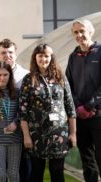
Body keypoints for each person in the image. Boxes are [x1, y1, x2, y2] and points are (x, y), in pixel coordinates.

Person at [20, 44, 76, 182]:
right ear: (35, 58)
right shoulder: (29, 79)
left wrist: (73, 133)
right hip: (37, 134)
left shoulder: (60, 77)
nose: (43, 59)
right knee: (36, 173)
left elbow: (70, 107)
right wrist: (26, 136)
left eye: (46, 55)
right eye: (40, 55)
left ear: (51, 58)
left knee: (57, 173)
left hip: (59, 133)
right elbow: (23, 110)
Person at [66, 19, 101, 182]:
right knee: (88, 161)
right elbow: (68, 86)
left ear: (91, 31)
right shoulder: (73, 57)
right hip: (80, 117)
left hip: (98, 115)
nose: (79, 35)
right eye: (76, 32)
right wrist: (79, 106)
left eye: (82, 31)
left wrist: (89, 105)